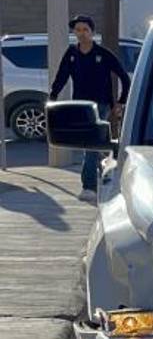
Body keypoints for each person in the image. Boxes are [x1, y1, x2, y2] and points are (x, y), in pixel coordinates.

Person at [48, 15, 131, 202]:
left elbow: (125, 78)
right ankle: (105, 168)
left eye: (85, 29)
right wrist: (52, 96)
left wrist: (120, 102)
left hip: (100, 104)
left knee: (89, 145)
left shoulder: (103, 53)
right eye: (78, 30)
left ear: (92, 32)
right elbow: (62, 76)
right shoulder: (71, 54)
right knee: (91, 144)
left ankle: (89, 188)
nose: (81, 33)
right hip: (79, 106)